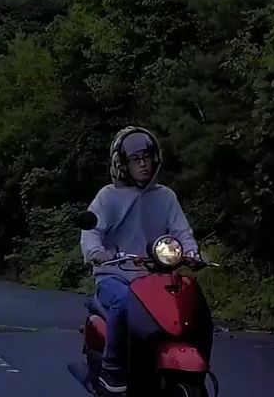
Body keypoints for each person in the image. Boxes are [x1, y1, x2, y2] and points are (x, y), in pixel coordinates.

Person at [79, 126, 200, 382]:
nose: (143, 165)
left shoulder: (166, 196)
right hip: (115, 276)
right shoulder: (108, 197)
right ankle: (112, 370)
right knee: (124, 304)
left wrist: (191, 253)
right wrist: (97, 252)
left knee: (193, 303)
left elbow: (182, 231)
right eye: (136, 160)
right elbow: (91, 230)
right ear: (122, 164)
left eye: (147, 158)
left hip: (155, 278)